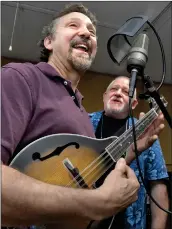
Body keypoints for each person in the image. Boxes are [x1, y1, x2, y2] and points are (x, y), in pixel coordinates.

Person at [1, 3, 165, 229]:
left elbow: (81, 185)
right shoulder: (22, 78)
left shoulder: (79, 111)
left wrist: (130, 153)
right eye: (73, 25)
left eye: (92, 31)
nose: (86, 33)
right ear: (49, 42)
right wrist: (98, 202)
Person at [89, 76, 169, 229]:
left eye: (126, 92)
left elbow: (158, 185)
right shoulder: (83, 122)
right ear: (104, 97)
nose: (118, 93)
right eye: (114, 89)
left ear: (134, 104)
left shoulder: (145, 132)